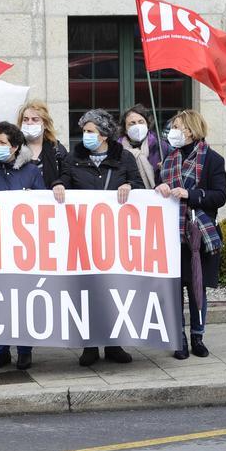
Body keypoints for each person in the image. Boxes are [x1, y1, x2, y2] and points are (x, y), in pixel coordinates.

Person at [52, 109, 140, 367]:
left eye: (90, 131)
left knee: (113, 289)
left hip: (115, 236)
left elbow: (138, 184)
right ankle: (89, 345)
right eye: (84, 131)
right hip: (83, 236)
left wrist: (130, 187)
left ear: (103, 135)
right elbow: (65, 179)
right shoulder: (74, 158)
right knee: (86, 290)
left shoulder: (124, 158)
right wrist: (58, 183)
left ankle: (114, 343)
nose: (85, 136)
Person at [0, 123, 45, 371]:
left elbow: (42, 208)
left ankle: (25, 350)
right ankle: (1, 350)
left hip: (24, 249)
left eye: (3, 143)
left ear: (14, 147)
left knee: (22, 300)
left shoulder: (32, 172)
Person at [154, 110, 226, 360]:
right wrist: (160, 186)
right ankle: (179, 339)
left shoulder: (213, 160)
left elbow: (220, 195)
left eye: (178, 127)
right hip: (172, 235)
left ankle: (198, 336)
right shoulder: (167, 161)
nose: (172, 132)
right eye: (172, 127)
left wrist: (190, 195)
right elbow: (157, 192)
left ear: (192, 131)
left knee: (198, 289)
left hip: (199, 235)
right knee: (174, 289)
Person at [17, 100, 68, 190]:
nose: (29, 122)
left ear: (44, 124)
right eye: (25, 119)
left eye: (35, 119)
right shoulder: (14, 149)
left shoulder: (57, 150)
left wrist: (59, 184)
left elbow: (67, 174)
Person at [118, 103, 168, 190]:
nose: (137, 126)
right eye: (132, 123)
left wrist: (165, 169)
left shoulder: (161, 147)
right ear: (125, 129)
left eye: (141, 122)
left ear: (147, 125)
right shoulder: (117, 150)